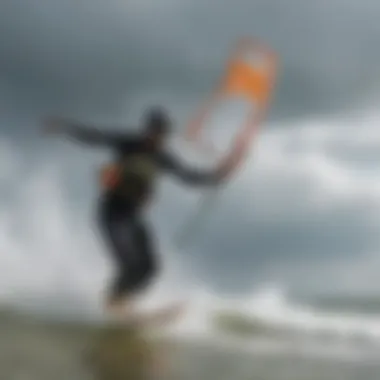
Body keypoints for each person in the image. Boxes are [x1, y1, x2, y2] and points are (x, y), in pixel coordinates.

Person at [42, 107, 231, 320]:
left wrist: (217, 176)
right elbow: (94, 137)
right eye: (154, 132)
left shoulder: (162, 157)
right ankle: (114, 301)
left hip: (133, 217)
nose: (157, 137)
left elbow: (188, 176)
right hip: (111, 214)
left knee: (150, 268)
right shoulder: (129, 144)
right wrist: (64, 127)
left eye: (162, 134)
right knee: (129, 264)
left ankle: (121, 302)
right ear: (147, 130)